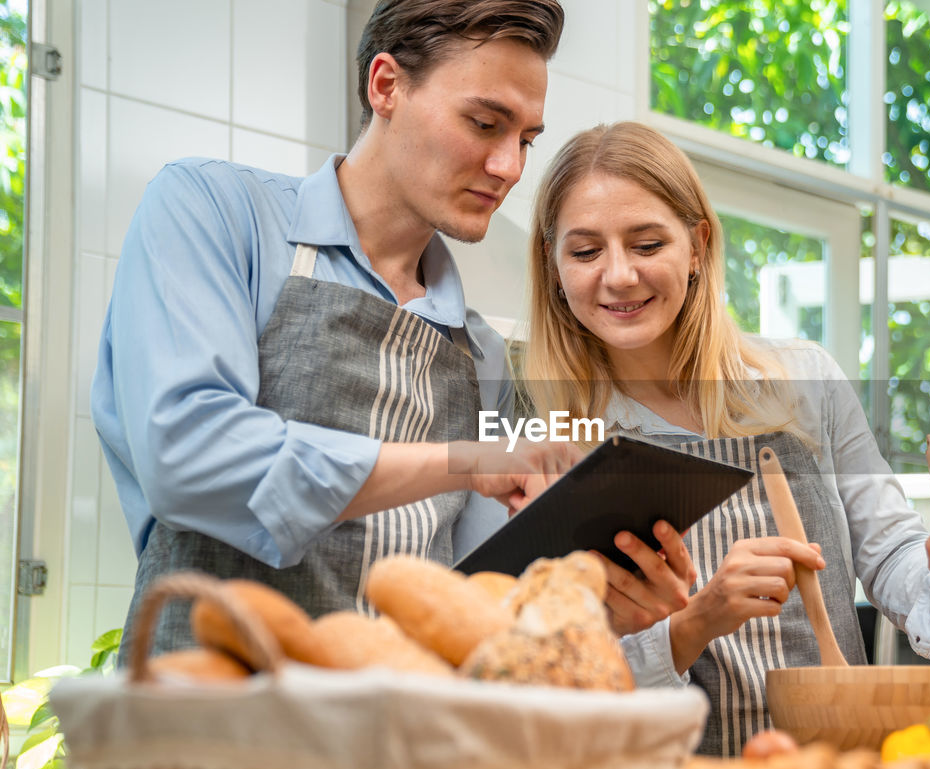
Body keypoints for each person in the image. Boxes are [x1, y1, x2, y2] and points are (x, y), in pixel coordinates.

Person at [523, 121, 930, 756]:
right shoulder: (547, 435)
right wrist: (694, 622)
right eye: (584, 252)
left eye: (647, 243)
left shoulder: (802, 380)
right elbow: (555, 668)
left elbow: (889, 551)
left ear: (697, 246)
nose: (620, 275)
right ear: (553, 268)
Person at [92, 0, 577, 655]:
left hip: (397, 743)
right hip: (202, 724)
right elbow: (188, 455)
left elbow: (479, 598)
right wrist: (462, 460)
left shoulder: (481, 354)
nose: (510, 168)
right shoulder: (214, 212)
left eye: (525, 139)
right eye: (485, 123)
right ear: (386, 85)